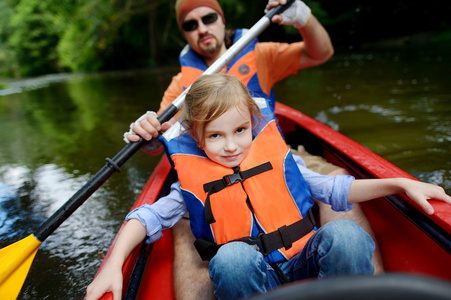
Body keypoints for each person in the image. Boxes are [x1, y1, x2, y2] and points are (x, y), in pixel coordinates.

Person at [87, 74, 451, 300]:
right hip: (253, 282)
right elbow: (144, 218)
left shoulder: (278, 162)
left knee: (345, 233)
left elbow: (340, 190)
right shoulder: (189, 187)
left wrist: (400, 184)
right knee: (230, 258)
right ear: (197, 138)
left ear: (252, 125)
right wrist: (112, 266)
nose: (231, 146)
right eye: (216, 136)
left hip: (305, 266)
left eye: (240, 131)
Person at [124, 0, 385, 298]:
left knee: (335, 176)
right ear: (184, 33)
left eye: (208, 18)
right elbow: (162, 139)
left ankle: (369, 286)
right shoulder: (179, 87)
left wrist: (303, 18)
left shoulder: (259, 54)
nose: (202, 28)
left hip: (274, 153)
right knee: (184, 223)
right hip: (211, 164)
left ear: (222, 20)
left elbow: (320, 53)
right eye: (190, 25)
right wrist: (146, 133)